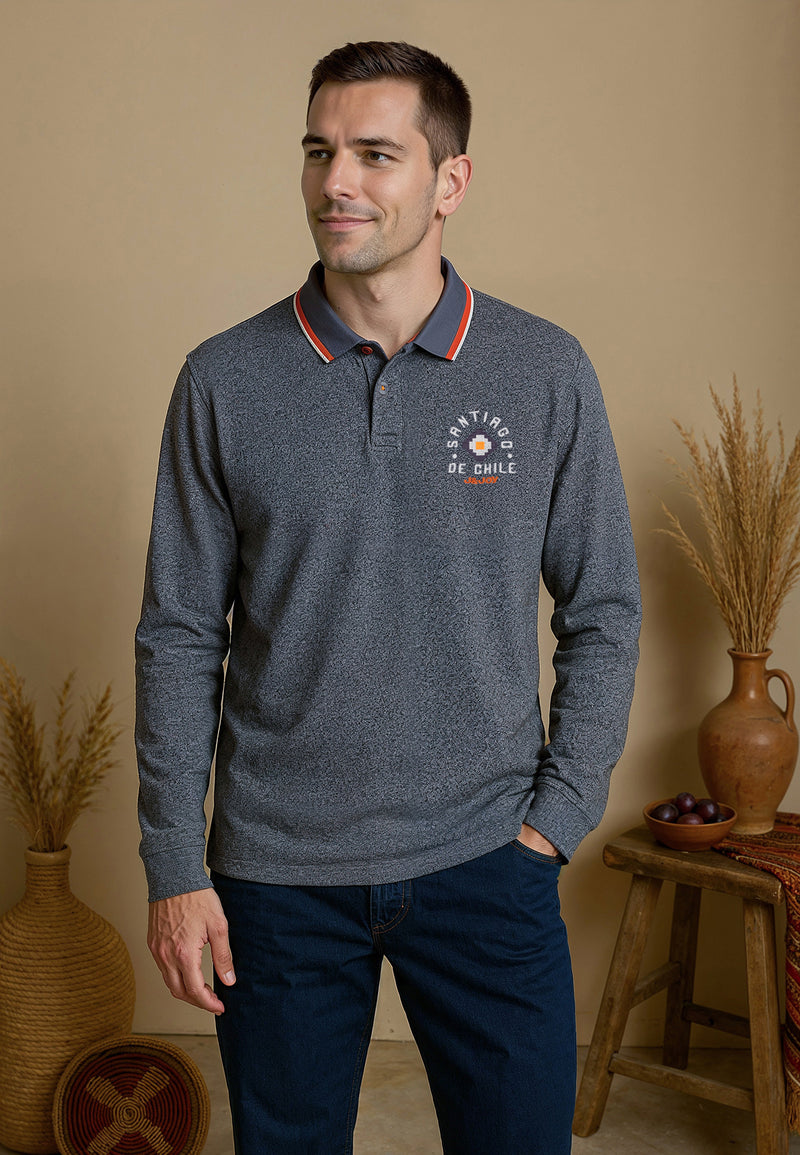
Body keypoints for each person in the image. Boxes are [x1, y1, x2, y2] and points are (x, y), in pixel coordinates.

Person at [135, 40, 641, 1155]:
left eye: (374, 153)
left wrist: (552, 823)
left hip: (488, 861)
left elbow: (603, 610)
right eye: (319, 151)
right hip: (274, 879)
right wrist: (174, 867)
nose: (337, 183)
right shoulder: (223, 380)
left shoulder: (543, 370)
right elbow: (178, 635)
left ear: (449, 181)